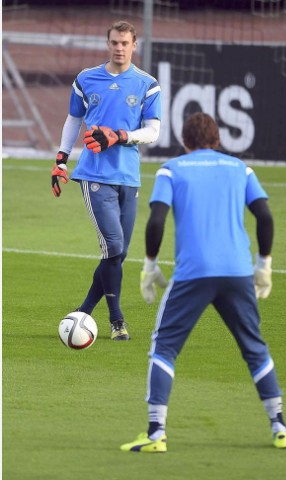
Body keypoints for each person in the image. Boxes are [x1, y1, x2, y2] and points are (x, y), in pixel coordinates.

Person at [120, 112, 286, 452]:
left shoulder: (172, 169)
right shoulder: (240, 169)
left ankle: (156, 433)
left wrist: (150, 265)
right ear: (217, 139)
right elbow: (265, 216)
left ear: (185, 141)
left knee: (164, 347)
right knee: (255, 349)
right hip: (237, 271)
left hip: (193, 273)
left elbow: (157, 219)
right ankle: (280, 426)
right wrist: (264, 265)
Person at [51, 21, 161, 340]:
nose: (119, 48)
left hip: (129, 176)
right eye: (114, 42)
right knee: (113, 246)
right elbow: (74, 119)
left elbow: (153, 131)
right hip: (95, 175)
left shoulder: (147, 84)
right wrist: (61, 159)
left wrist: (121, 136)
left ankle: (82, 313)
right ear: (107, 43)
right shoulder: (87, 78)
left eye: (125, 43)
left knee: (118, 253)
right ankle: (116, 320)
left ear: (134, 45)